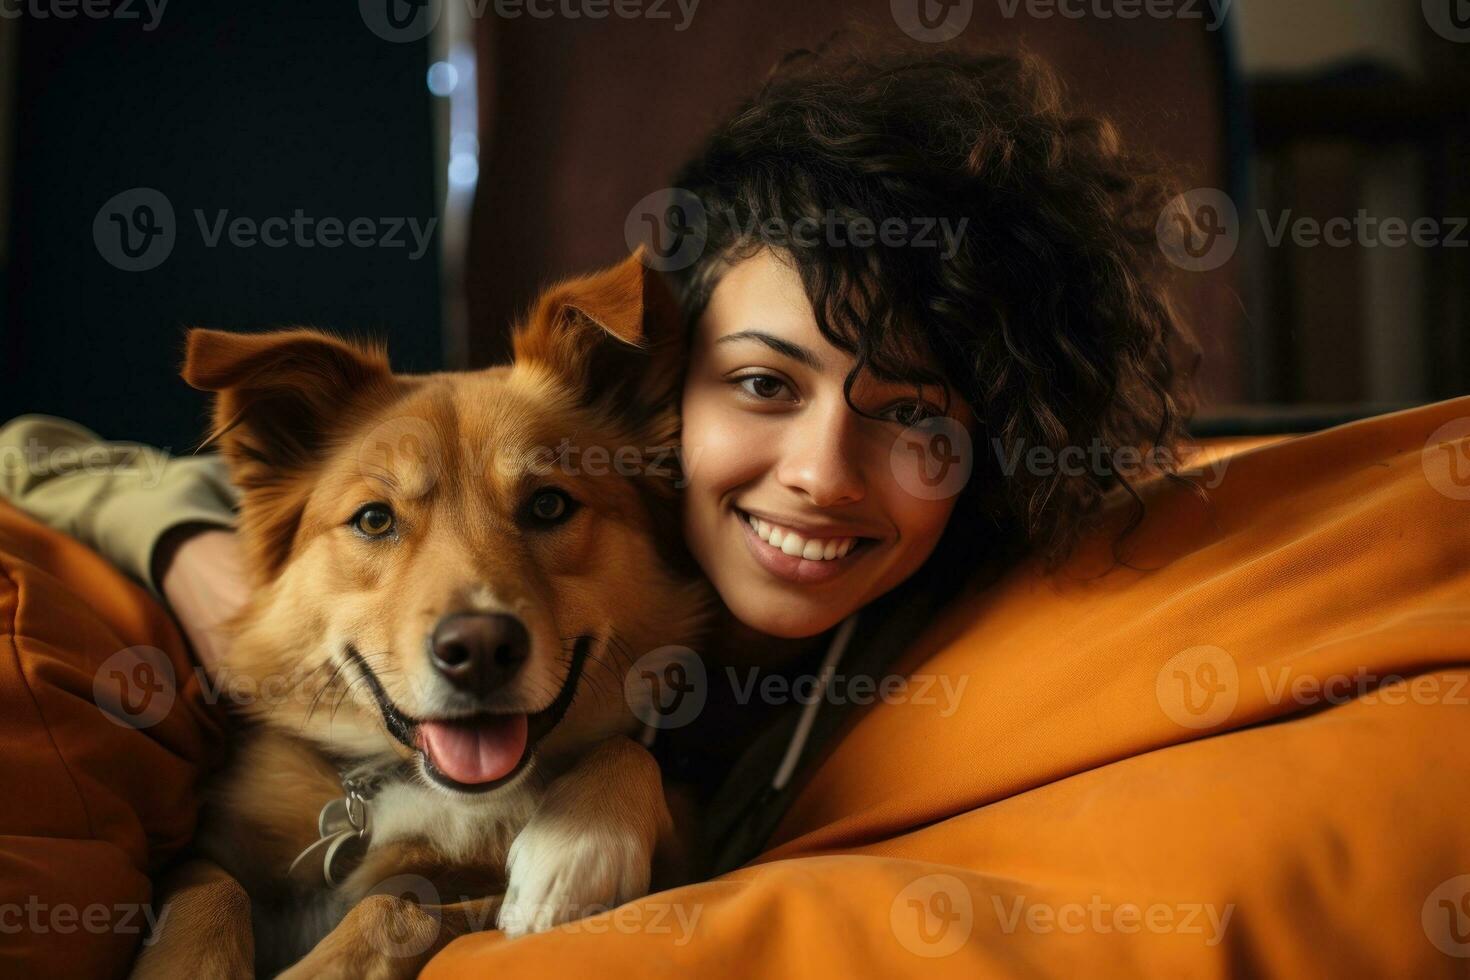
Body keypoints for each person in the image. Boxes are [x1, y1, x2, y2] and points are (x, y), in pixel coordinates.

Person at [0, 36, 1195, 877]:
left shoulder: (975, 632)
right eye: (765, 383)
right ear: (667, 387)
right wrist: (195, 548)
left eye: (911, 412)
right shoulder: (604, 475)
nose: (823, 471)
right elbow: (39, 453)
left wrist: (630, 798)